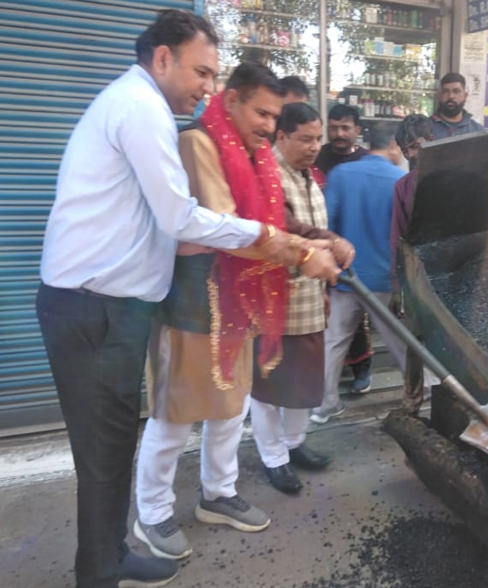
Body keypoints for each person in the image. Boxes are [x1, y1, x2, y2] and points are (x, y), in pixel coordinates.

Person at [35, 11, 338, 588]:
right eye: (201, 72)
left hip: (113, 305)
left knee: (115, 446)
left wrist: (296, 241)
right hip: (93, 305)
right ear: (163, 58)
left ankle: (110, 555)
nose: (206, 86)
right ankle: (99, 570)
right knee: (109, 451)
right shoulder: (144, 110)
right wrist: (288, 247)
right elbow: (182, 219)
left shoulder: (144, 107)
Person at [133, 63, 343, 563]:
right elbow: (228, 226)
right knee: (173, 415)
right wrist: (302, 253)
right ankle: (153, 511)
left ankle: (218, 494)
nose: (270, 125)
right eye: (261, 112)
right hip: (190, 301)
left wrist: (312, 243)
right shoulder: (199, 145)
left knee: (230, 409)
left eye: (275, 115)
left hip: (242, 300)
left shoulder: (256, 159)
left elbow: (265, 225)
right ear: (231, 101)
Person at [250, 102, 351, 494]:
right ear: (281, 136)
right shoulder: (268, 173)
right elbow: (284, 225)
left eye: (317, 139)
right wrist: (331, 241)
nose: (314, 147)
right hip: (275, 303)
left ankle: (294, 445)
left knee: (303, 383)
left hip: (310, 300)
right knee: (269, 389)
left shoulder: (309, 174)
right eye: (305, 139)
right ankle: (273, 458)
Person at [313, 122, 409, 424]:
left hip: (345, 278)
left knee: (334, 341)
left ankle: (325, 405)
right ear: (394, 146)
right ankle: (419, 394)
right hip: (384, 279)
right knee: (401, 342)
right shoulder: (401, 180)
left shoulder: (341, 175)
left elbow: (326, 227)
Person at [314, 104, 374, 396]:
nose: (339, 133)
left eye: (345, 127)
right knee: (321, 314)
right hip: (315, 246)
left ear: (357, 131)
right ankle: (323, 377)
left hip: (354, 249)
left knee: (352, 318)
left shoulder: (365, 161)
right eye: (334, 127)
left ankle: (361, 367)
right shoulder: (317, 156)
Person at [390, 115, 437, 414]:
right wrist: (397, 287)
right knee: (415, 340)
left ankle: (455, 400)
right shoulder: (402, 188)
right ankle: (412, 402)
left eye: (420, 145)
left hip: (454, 271)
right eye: (409, 148)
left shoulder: (456, 176)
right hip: (419, 275)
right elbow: (397, 236)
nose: (414, 153)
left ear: (432, 142)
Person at [430, 72, 484, 140]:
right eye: (446, 91)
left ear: (465, 96)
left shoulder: (478, 132)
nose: (450, 96)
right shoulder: (426, 128)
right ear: (440, 95)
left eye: (456, 91)